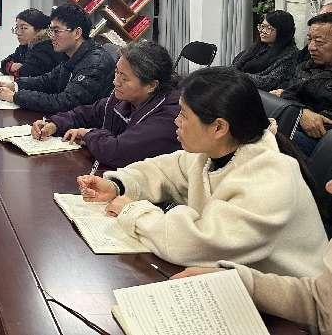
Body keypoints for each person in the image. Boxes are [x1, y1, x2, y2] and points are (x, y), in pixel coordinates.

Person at [76, 67, 328, 277]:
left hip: (288, 310)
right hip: (236, 284)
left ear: (218, 127)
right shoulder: (214, 150)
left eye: (184, 115)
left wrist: (132, 211)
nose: (176, 121)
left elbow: (196, 244)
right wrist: (119, 185)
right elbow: (164, 170)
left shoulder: (270, 179)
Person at [175, 177, 332, 335]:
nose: (329, 186)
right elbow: (320, 304)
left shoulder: (271, 180)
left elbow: (194, 243)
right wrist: (238, 281)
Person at [30, 41, 180, 169]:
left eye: (124, 78)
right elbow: (88, 113)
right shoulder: (125, 97)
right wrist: (54, 124)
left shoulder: (169, 117)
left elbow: (117, 152)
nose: (115, 82)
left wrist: (88, 134)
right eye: (117, 73)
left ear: (151, 85)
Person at [0, 4, 115, 114]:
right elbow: (47, 81)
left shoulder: (95, 63)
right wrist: (15, 85)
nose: (51, 37)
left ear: (77, 33)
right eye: (51, 31)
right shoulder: (70, 55)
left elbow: (64, 103)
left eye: (56, 31)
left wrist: (15, 97)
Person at [274, 12, 332, 157]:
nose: (311, 47)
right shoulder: (305, 66)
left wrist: (295, 110)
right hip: (293, 121)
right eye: (310, 39)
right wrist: (301, 112)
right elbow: (286, 92)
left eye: (319, 42)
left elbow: (321, 123)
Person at [232, 10, 298, 92]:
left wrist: (237, 75)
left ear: (282, 31)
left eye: (269, 28)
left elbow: (268, 82)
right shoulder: (258, 46)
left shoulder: (289, 54)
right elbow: (236, 64)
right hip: (238, 85)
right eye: (262, 26)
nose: (263, 31)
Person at [0, 8, 66, 78]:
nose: (18, 33)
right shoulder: (25, 45)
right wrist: (11, 67)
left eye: (23, 28)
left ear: (38, 29)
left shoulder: (46, 46)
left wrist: (18, 68)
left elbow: (27, 72)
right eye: (17, 28)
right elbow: (4, 63)